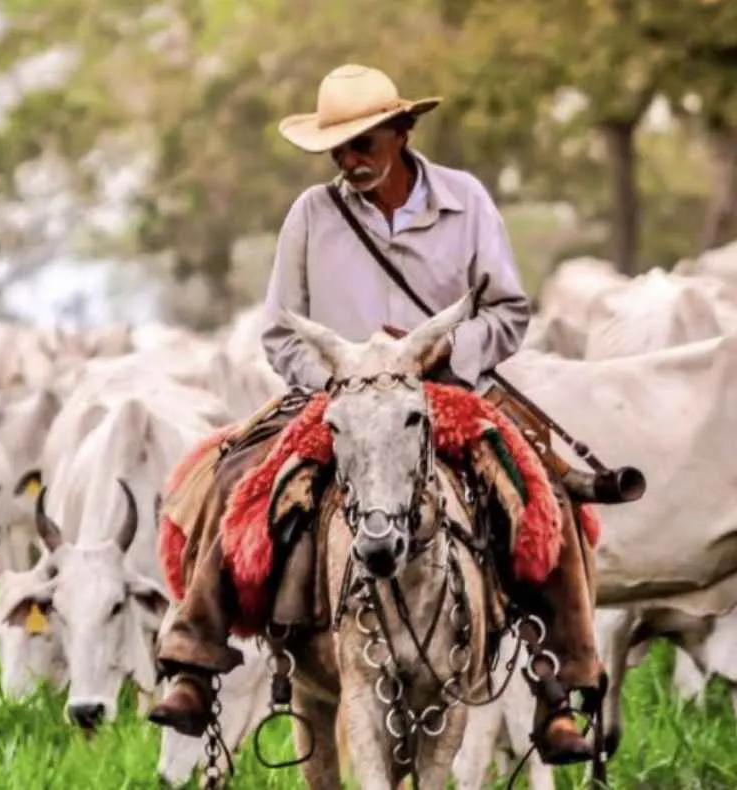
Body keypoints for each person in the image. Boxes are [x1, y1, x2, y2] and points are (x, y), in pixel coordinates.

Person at [146, 63, 607, 765]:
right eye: (338, 148)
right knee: (237, 478)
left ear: (402, 130)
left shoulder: (467, 201)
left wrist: (450, 350)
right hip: (340, 398)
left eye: (363, 143)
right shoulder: (310, 214)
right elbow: (279, 332)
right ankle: (193, 657)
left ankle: (561, 682)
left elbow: (509, 312)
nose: (350, 160)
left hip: (446, 392)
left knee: (541, 490)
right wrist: (341, 383)